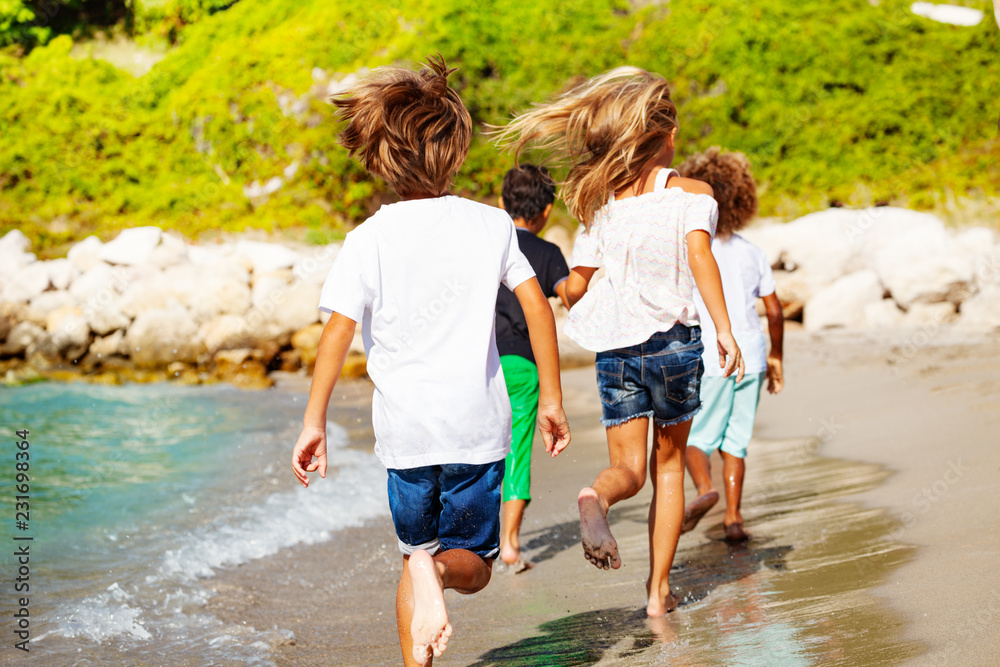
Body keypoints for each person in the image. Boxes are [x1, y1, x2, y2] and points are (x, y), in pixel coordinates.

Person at [291, 56, 571, 667]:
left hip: (405, 434)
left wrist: (314, 421)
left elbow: (337, 331)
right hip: (474, 430)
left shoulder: (367, 239)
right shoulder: (490, 225)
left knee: (410, 552)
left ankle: (418, 621)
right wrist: (550, 398)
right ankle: (434, 569)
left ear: (378, 158)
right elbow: (538, 308)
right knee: (470, 568)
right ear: (456, 150)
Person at [494, 67, 745, 617]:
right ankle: (657, 595)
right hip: (675, 345)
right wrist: (725, 329)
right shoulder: (693, 195)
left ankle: (596, 497)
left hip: (618, 352)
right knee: (669, 467)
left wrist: (564, 301)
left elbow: (577, 286)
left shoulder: (601, 204)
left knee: (627, 471)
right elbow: (701, 260)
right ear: (669, 135)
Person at [675, 147, 784, 542]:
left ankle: (706, 491)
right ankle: (733, 518)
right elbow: (773, 311)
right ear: (742, 200)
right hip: (752, 356)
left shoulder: (690, 250)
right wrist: (776, 357)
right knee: (736, 441)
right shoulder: (752, 253)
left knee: (697, 439)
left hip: (711, 354)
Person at [494, 164, 571, 572]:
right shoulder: (547, 254)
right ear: (545, 210)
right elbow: (570, 293)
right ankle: (509, 544)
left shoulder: (488, 247)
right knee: (517, 450)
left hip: (483, 365)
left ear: (504, 203)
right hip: (524, 367)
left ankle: (471, 536)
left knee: (482, 447)